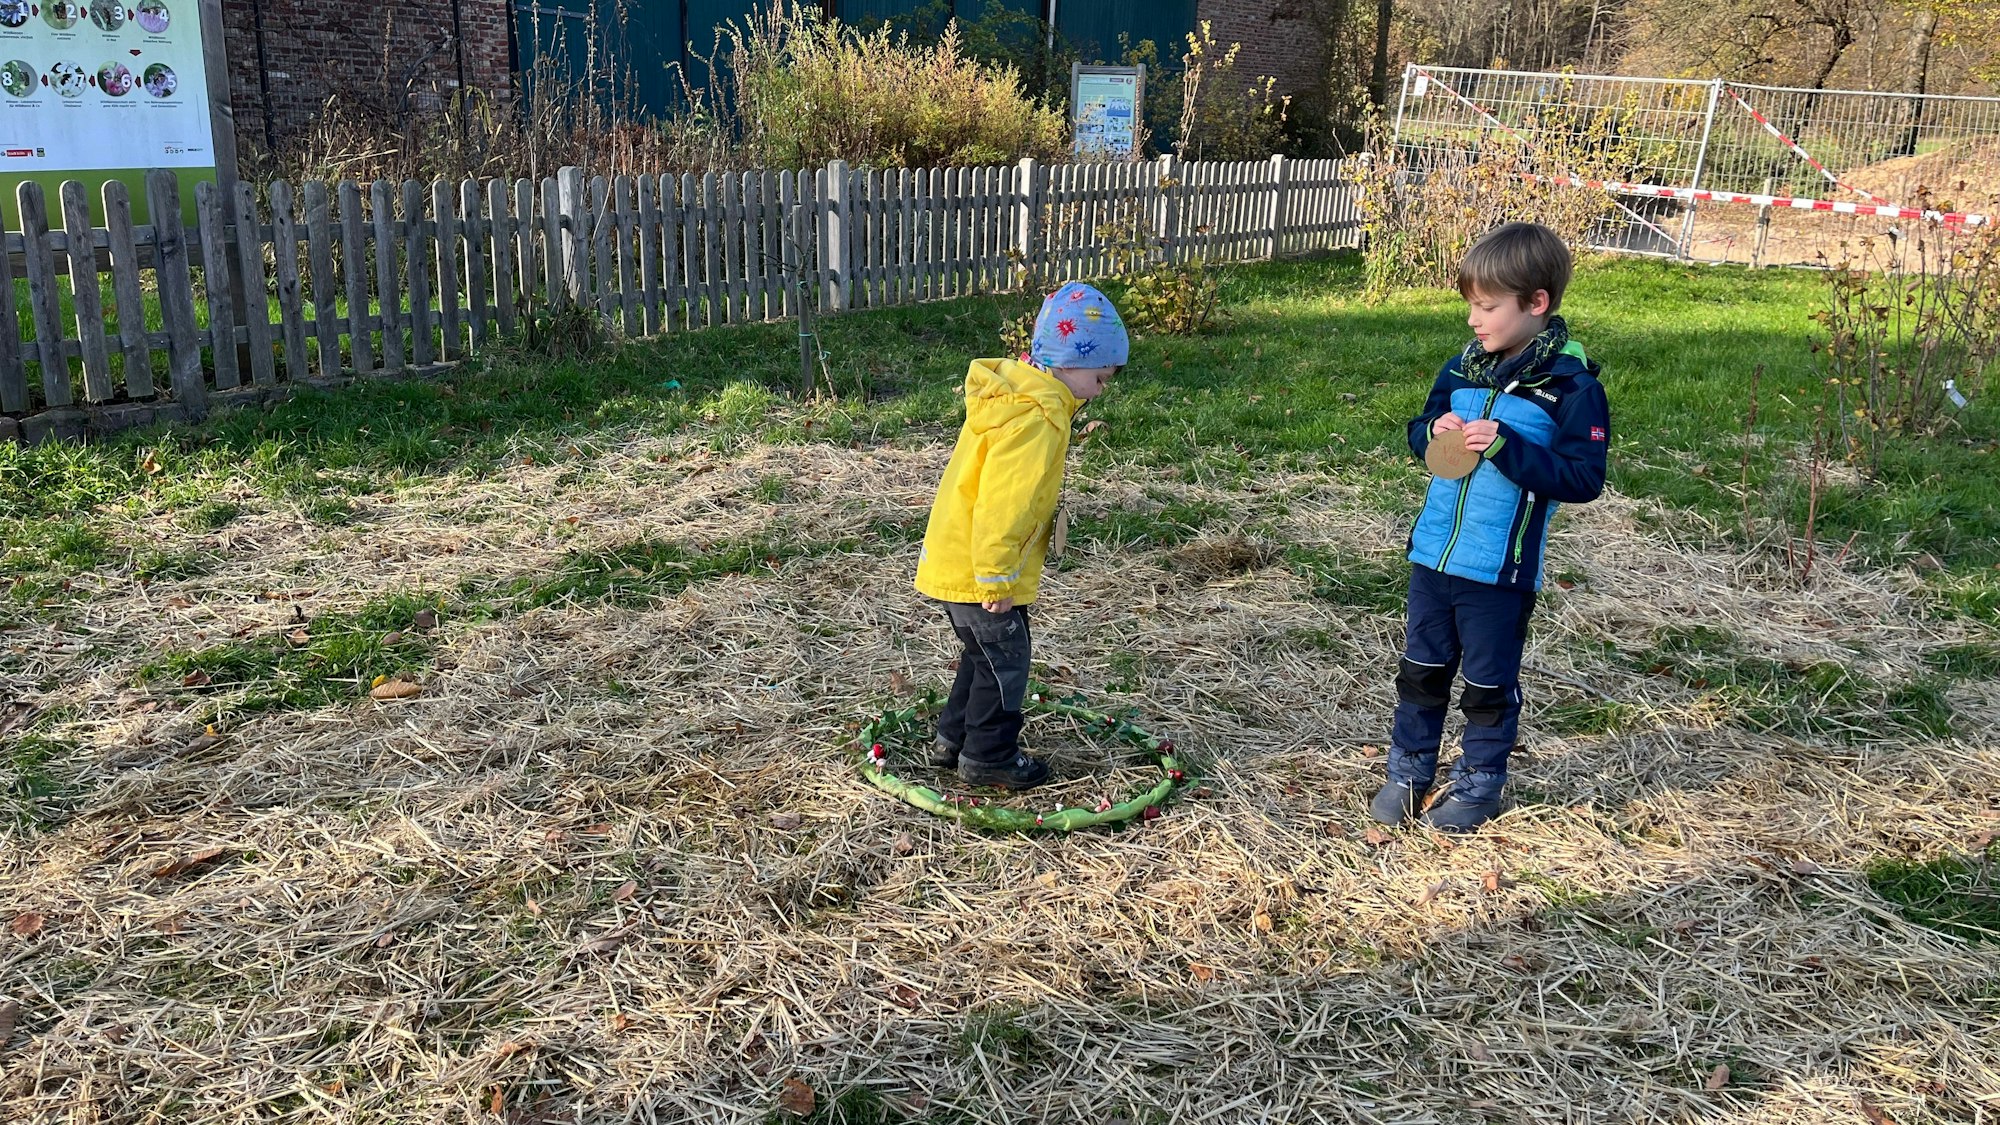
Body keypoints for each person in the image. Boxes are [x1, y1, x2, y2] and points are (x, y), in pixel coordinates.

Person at [1372, 222, 1611, 832]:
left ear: (1537, 304)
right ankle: (1409, 770)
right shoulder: (1462, 369)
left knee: (1486, 681)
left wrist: (1506, 447)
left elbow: (1582, 479)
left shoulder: (1572, 390)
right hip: (1433, 557)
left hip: (1498, 572)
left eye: (1488, 307)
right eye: (1470, 306)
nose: (1474, 320)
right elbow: (1419, 431)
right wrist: (1434, 434)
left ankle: (1479, 784)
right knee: (1421, 670)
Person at [913, 283, 1128, 790]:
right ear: (1067, 362)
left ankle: (954, 739)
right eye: (1099, 377)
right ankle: (989, 756)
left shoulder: (1023, 399)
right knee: (1005, 661)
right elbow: (1001, 506)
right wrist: (996, 580)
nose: (1102, 390)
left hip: (965, 560)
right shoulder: (1036, 419)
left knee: (982, 653)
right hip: (981, 568)